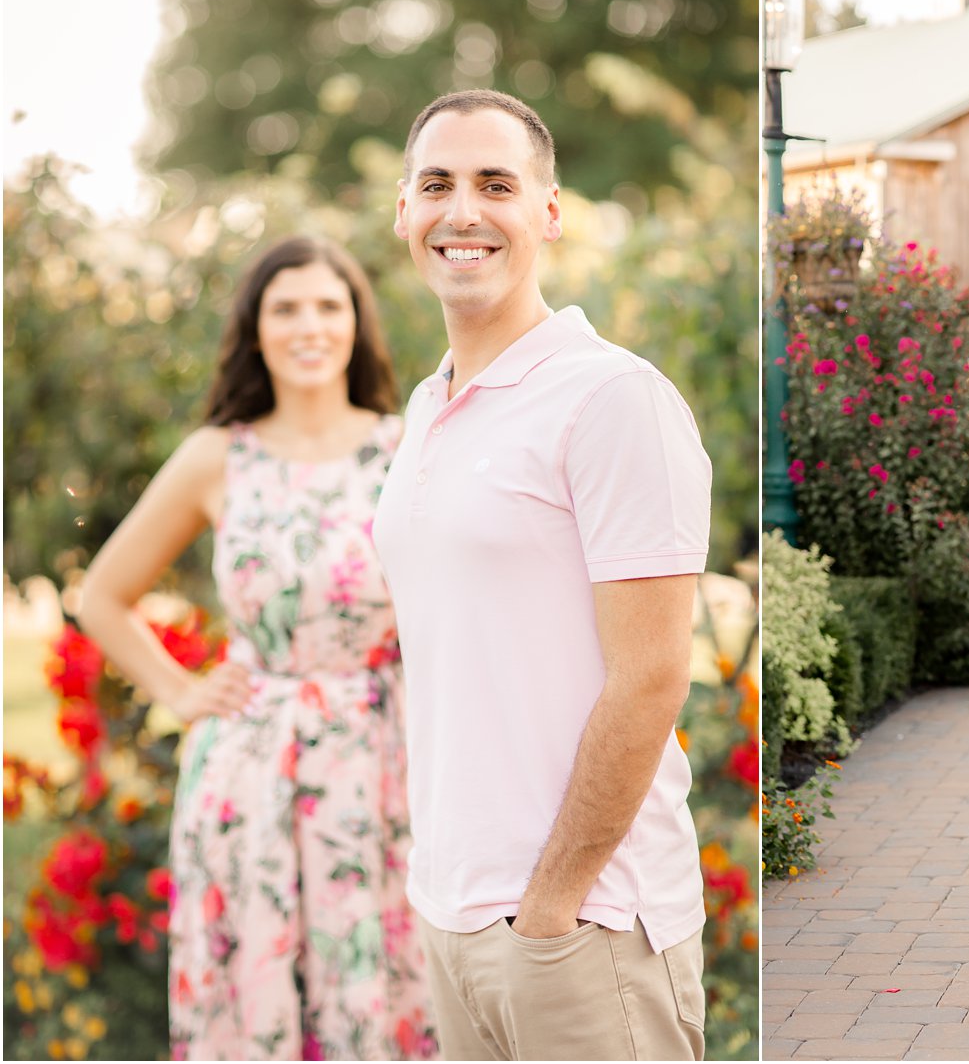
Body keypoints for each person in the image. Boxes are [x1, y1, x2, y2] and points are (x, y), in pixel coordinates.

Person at [371, 89, 711, 1060]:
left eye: (495, 184)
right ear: (404, 212)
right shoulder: (425, 411)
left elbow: (650, 674)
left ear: (548, 214)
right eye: (436, 184)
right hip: (452, 915)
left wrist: (551, 906)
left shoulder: (612, 398)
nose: (462, 211)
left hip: (582, 924)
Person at [78, 236, 438, 1059]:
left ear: (356, 325)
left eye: (327, 305)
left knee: (389, 987)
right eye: (286, 308)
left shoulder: (404, 446)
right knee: (260, 1001)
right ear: (255, 329)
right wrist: (176, 690)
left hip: (387, 759)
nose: (308, 326)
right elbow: (101, 596)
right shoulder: (218, 456)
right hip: (250, 771)